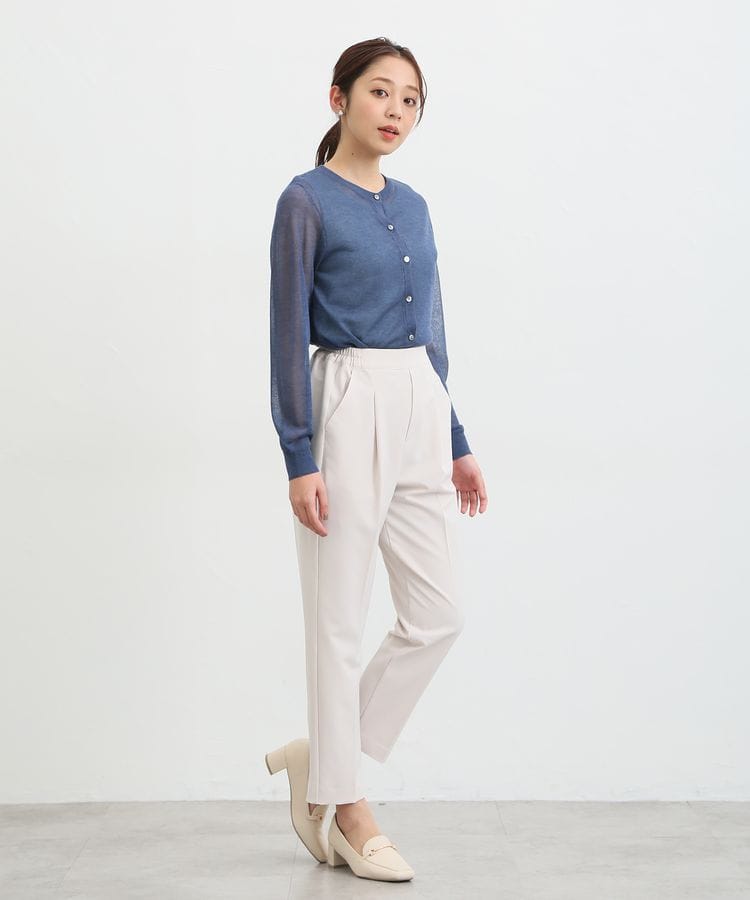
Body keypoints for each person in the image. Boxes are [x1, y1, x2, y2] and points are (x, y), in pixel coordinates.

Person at [265, 36, 488, 882]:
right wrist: (298, 452)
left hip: (419, 397)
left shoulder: (416, 206)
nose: (396, 110)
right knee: (338, 617)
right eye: (380, 92)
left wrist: (455, 439)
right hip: (347, 396)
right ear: (339, 98)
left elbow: (434, 328)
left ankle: (323, 759)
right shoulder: (305, 201)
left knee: (439, 612)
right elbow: (286, 331)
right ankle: (345, 805)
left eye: (411, 99)